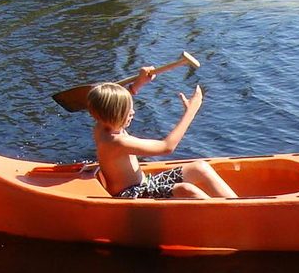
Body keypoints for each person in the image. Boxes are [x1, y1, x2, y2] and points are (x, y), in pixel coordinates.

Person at [87, 73, 238, 200]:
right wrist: (191, 111)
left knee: (200, 167)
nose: (133, 112)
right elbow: (167, 147)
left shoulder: (102, 125)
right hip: (131, 195)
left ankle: (237, 207)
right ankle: (226, 215)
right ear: (115, 114)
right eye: (128, 110)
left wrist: (137, 84)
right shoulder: (117, 142)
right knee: (186, 190)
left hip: (145, 184)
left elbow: (112, 104)